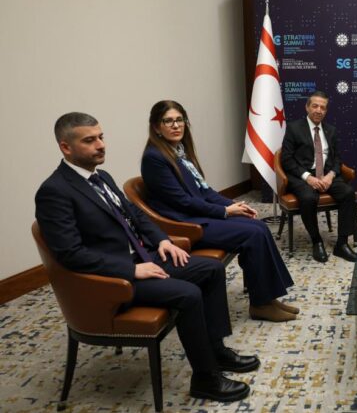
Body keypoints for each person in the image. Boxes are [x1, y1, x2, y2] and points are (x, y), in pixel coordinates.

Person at [35, 112, 258, 403]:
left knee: (212, 269)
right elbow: (70, 254)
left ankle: (217, 351)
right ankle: (206, 379)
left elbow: (135, 215)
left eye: (101, 137)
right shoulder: (54, 192)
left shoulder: (101, 177)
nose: (100, 145)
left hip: (143, 258)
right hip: (111, 280)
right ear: (66, 147)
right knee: (189, 294)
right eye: (89, 140)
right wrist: (131, 270)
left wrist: (163, 240)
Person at [141, 100, 297, 322]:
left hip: (197, 215)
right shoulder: (154, 158)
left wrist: (232, 205)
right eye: (168, 121)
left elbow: (204, 191)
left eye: (179, 120)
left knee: (259, 226)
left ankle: (268, 298)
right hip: (185, 224)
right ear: (157, 127)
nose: (176, 125)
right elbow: (182, 202)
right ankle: (261, 305)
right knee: (253, 233)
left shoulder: (179, 152)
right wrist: (225, 212)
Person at [281, 91, 357, 263]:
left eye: (323, 107)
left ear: (326, 111)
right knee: (309, 198)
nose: (319, 110)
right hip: (302, 177)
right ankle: (316, 241)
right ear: (307, 107)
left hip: (326, 176)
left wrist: (331, 175)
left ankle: (342, 243)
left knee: (348, 193)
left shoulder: (331, 130)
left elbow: (337, 159)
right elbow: (286, 159)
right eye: (315, 106)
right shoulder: (294, 128)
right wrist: (308, 177)